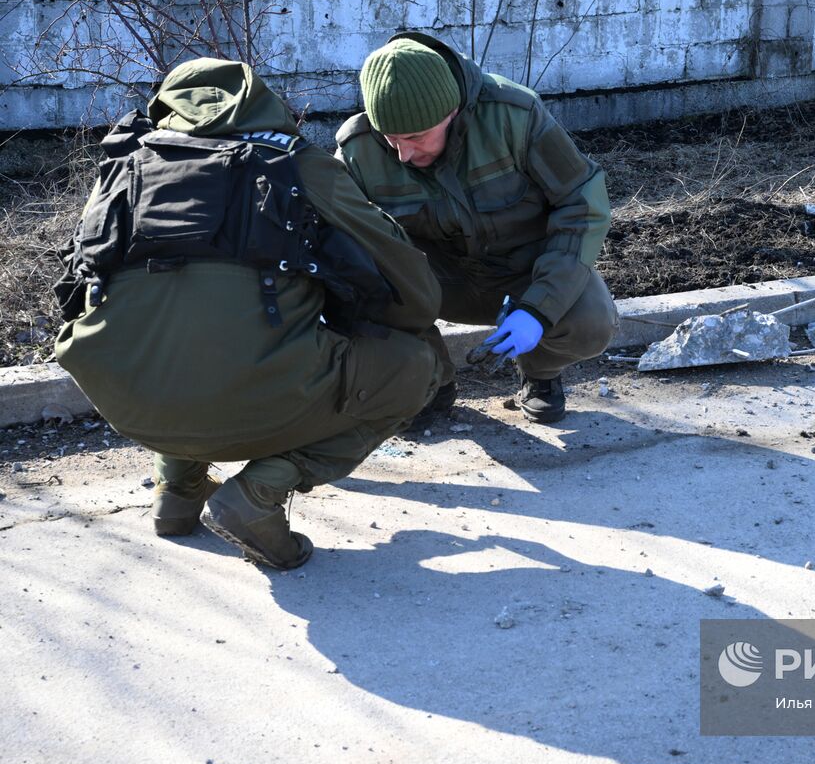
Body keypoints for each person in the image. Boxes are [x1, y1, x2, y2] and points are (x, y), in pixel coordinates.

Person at [53, 58, 449, 570]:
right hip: (255, 399)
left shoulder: (125, 167)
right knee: (418, 365)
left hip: (127, 406)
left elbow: (73, 285)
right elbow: (413, 292)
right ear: (261, 103)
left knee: (181, 333)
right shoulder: (296, 166)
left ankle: (176, 493)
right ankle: (261, 492)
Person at [335, 32, 619, 425]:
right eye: (391, 139)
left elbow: (581, 202)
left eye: (416, 137)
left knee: (591, 322)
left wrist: (539, 308)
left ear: (451, 111)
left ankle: (539, 373)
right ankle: (431, 383)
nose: (403, 154)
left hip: (524, 272)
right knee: (351, 281)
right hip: (437, 283)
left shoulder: (514, 115)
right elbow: (341, 241)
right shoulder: (358, 149)